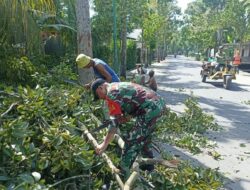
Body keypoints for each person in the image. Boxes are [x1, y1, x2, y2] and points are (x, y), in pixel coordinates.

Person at [91, 79, 166, 179]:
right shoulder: (117, 86)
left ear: (101, 87)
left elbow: (113, 125)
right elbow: (136, 99)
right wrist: (127, 116)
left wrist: (104, 145)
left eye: (98, 95)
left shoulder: (111, 94)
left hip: (150, 109)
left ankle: (123, 172)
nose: (100, 98)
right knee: (143, 138)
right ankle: (149, 167)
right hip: (158, 103)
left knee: (131, 141)